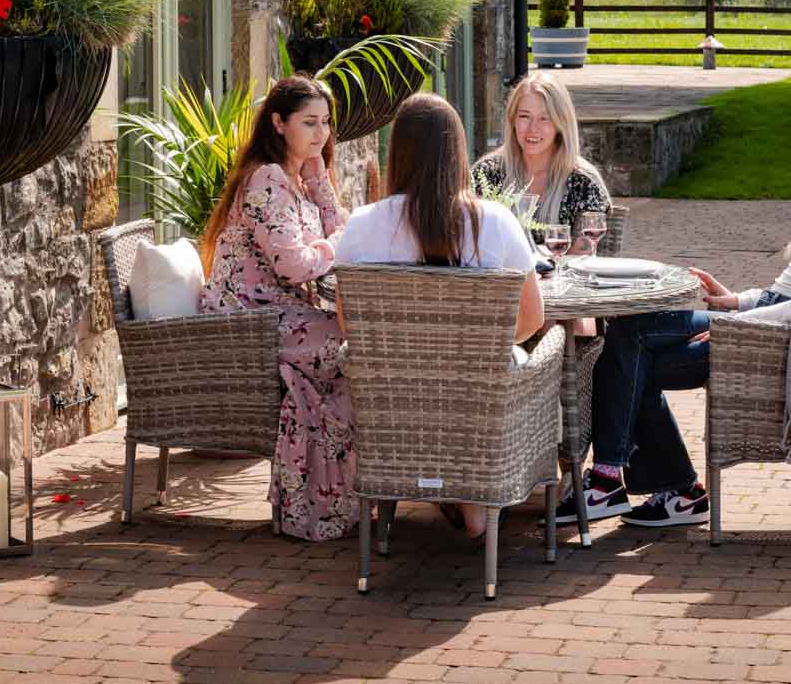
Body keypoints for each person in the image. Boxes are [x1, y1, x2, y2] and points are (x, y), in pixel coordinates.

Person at [560, 94, 791, 530]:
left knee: (631, 337)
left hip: (777, 334)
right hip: (773, 318)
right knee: (632, 356)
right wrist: (739, 301)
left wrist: (739, 325)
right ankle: (675, 493)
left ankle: (611, 480)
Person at [336, 93, 545, 542]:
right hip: (476, 399)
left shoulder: (360, 225)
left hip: (395, 398)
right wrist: (480, 350)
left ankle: (432, 482)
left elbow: (348, 324)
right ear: (458, 151)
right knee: (544, 353)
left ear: (398, 153)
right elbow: (532, 318)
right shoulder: (496, 222)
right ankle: (476, 492)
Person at [199, 74, 355, 542]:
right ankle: (322, 503)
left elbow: (339, 231)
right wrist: (335, 245)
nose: (321, 133)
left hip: (280, 310)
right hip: (247, 320)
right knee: (354, 351)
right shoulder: (267, 179)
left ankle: (336, 498)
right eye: (309, 122)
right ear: (278, 123)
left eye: (326, 123)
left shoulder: (298, 178)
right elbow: (293, 265)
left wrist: (321, 180)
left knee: (357, 345)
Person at [473, 74, 611, 242]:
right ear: (512, 120)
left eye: (544, 118)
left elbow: (584, 252)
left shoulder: (583, 182)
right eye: (524, 116)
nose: (533, 129)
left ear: (560, 124)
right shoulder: (486, 174)